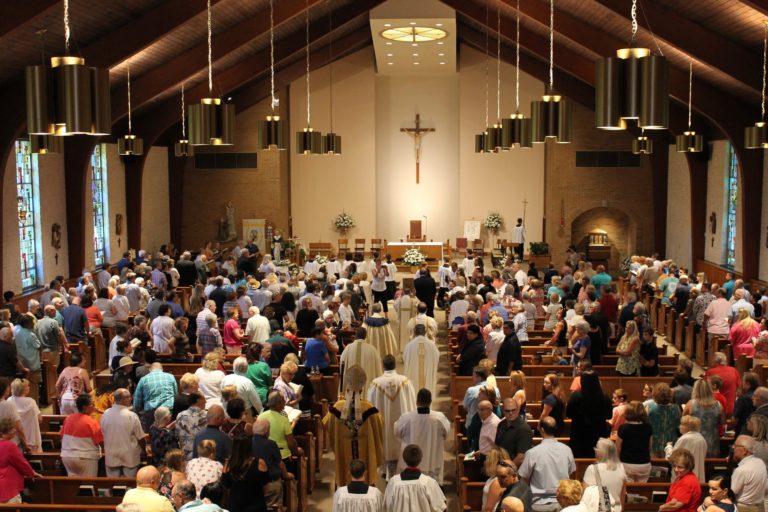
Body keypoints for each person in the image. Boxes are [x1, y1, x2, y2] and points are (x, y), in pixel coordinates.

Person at [324, 366, 385, 486]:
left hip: (344, 451)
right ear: (362, 389)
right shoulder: (369, 409)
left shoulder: (337, 408)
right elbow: (380, 423)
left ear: (347, 388)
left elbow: (325, 423)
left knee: (344, 470)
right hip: (364, 452)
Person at [367, 354, 416, 480]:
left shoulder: (375, 384)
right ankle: (402, 465)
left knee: (385, 439)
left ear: (383, 366)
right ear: (395, 365)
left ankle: (385, 470)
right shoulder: (405, 381)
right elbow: (412, 402)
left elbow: (369, 406)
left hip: (383, 425)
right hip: (402, 424)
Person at [518, 416, 576, 511]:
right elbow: (571, 474)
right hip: (563, 502)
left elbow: (524, 479)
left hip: (539, 504)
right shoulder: (567, 450)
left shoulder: (532, 453)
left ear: (542, 429)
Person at [394, 388, 451, 485]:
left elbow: (397, 433)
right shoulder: (440, 418)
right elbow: (447, 434)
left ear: (416, 402)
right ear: (430, 402)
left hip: (410, 459)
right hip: (432, 459)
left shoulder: (406, 418)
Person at [383, 444, 446, 512]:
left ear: (404, 459)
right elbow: (441, 508)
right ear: (420, 459)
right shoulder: (429, 483)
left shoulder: (393, 482)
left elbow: (387, 507)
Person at [102, 388, 147, 477]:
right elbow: (140, 437)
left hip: (112, 454)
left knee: (114, 486)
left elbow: (103, 432)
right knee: (129, 486)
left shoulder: (105, 414)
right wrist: (144, 450)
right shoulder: (131, 416)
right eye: (128, 397)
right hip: (129, 455)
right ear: (122, 399)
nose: (131, 399)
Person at [567, 371, 612, 458]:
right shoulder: (604, 397)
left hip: (579, 435)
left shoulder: (576, 396)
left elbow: (569, 414)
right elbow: (609, 415)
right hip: (598, 435)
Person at [59, 393, 103, 476]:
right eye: (92, 404)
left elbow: (61, 436)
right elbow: (100, 441)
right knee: (88, 485)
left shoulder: (68, 418)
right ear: (84, 407)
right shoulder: (91, 421)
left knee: (73, 485)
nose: (94, 406)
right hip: (86, 457)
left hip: (67, 457)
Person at [0, 417, 39, 504]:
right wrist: (31, 473)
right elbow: (22, 463)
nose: (15, 430)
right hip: (8, 489)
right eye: (12, 428)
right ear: (4, 432)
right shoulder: (9, 446)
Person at [583, 437, 626, 512]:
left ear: (602, 452)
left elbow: (585, 495)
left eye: (597, 448)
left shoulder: (592, 469)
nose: (595, 450)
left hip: (598, 509)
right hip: (616, 509)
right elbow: (622, 495)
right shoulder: (621, 468)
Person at [683, 379, 724, 457]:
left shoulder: (691, 403)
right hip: (712, 441)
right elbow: (723, 422)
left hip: (695, 441)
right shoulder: (718, 404)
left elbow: (683, 420)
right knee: (710, 466)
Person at [134, 362, 179, 432]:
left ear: (150, 370)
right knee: (168, 436)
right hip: (168, 412)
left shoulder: (143, 379)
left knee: (152, 437)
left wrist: (136, 412)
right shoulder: (171, 377)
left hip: (151, 413)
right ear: (162, 369)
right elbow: (176, 395)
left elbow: (137, 400)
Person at [615, 401, 652, 483]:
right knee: (642, 490)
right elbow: (650, 446)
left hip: (627, 463)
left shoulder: (623, 428)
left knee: (628, 490)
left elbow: (618, 448)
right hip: (644, 463)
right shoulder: (648, 427)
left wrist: (617, 462)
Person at [340, 327, 383, 395]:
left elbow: (342, 365)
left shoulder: (348, 348)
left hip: (350, 387)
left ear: (355, 335)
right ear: (365, 336)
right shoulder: (372, 350)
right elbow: (378, 369)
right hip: (366, 391)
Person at [665, 415, 707, 484]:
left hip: (684, 474)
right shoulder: (701, 438)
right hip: (697, 474)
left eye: (681, 424)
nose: (679, 426)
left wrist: (668, 447)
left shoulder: (685, 438)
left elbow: (672, 457)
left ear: (687, 427)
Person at [731, 435, 767, 512]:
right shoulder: (760, 463)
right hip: (760, 507)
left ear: (744, 450)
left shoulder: (741, 470)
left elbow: (732, 492)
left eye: (736, 445)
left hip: (744, 508)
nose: (733, 447)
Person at [495, 397, 533, 469]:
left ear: (517, 410)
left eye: (513, 410)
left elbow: (521, 458)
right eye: (507, 411)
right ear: (503, 410)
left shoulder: (524, 429)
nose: (510, 413)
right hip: (500, 467)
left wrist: (506, 470)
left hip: (514, 472)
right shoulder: (501, 424)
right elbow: (497, 446)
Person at [659, 448, 702, 512]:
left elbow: (674, 505)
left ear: (688, 467)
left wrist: (661, 508)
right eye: (674, 466)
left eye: (680, 467)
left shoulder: (687, 482)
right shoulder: (684, 476)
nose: (676, 469)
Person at [648, 382, 682, 457]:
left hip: (654, 443)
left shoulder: (649, 407)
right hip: (670, 443)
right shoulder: (676, 408)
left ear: (654, 394)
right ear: (670, 394)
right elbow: (678, 426)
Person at [13, 314, 41, 401]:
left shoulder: (16, 332)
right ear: (27, 324)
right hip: (32, 364)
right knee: (33, 387)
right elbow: (38, 346)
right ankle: (34, 405)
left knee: (23, 388)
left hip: (22, 364)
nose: (33, 324)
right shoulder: (30, 334)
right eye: (32, 322)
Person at [704, 352, 741, 417]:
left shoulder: (710, 372)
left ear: (715, 361)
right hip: (730, 410)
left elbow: (704, 390)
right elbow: (739, 389)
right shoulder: (734, 370)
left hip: (714, 411)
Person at [9, 379, 40, 452]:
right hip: (31, 437)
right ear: (23, 389)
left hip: (16, 438)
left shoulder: (9, 401)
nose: (29, 387)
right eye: (27, 386)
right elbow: (40, 419)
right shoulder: (31, 401)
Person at [175, 392, 208, 460]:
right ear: (198, 400)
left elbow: (177, 434)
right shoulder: (206, 416)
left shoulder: (180, 415)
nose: (206, 401)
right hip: (203, 454)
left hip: (185, 455)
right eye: (204, 399)